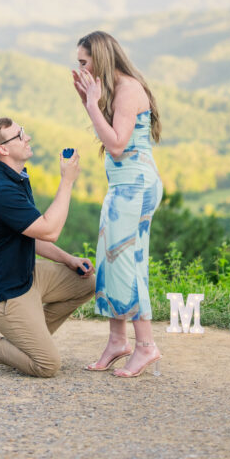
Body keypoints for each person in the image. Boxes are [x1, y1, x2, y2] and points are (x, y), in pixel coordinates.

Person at [0, 118, 95, 377]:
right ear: (3, 149)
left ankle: (27, 342)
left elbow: (32, 234)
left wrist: (68, 259)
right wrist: (67, 181)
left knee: (88, 282)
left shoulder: (16, 176)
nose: (28, 137)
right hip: (1, 292)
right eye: (19, 135)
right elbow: (50, 230)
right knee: (47, 365)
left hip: (25, 276)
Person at [72, 30, 163, 378]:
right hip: (124, 187)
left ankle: (145, 346)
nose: (80, 68)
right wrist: (87, 100)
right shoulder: (116, 88)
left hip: (134, 187)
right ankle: (117, 341)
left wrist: (92, 104)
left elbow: (117, 145)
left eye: (84, 62)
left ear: (100, 58)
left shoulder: (128, 90)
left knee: (127, 263)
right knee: (111, 262)